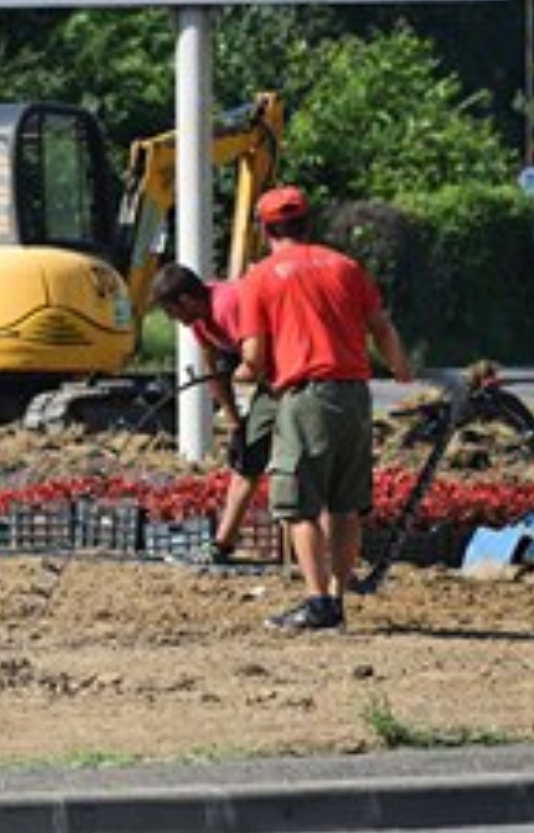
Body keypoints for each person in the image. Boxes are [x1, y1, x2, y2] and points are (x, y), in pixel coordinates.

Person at [234, 185, 409, 632]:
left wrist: (239, 374)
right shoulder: (345, 266)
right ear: (307, 224)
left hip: (306, 397)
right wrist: (402, 370)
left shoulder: (260, 277)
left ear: (265, 230)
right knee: (346, 504)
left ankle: (317, 604)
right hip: (355, 396)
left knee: (298, 505)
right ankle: (337, 598)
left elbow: (254, 359)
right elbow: (381, 327)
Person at [149, 261, 272, 565]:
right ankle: (221, 546)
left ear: (186, 300)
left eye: (172, 312)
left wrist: (243, 376)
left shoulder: (227, 306)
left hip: (288, 379)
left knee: (281, 464)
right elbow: (213, 369)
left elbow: (255, 360)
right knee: (245, 456)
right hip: (269, 384)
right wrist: (234, 420)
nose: (175, 321)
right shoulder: (200, 321)